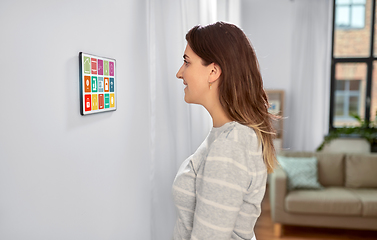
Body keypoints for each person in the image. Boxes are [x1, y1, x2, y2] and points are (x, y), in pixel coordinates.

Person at [172, 22, 277, 240]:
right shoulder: (229, 135)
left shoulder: (231, 145)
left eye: (186, 62)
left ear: (213, 71)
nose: (179, 73)